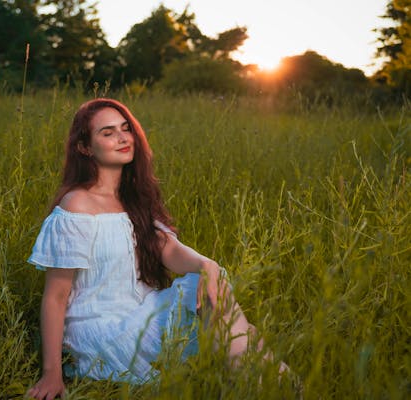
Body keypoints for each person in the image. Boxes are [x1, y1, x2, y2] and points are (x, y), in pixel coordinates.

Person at [25, 98, 284, 400]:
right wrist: (52, 374)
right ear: (84, 147)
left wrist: (207, 265)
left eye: (125, 129)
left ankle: (276, 387)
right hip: (102, 330)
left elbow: (170, 250)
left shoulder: (134, 198)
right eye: (107, 133)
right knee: (230, 320)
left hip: (141, 314)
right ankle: (277, 388)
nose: (122, 138)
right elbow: (56, 296)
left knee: (217, 292)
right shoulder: (78, 204)